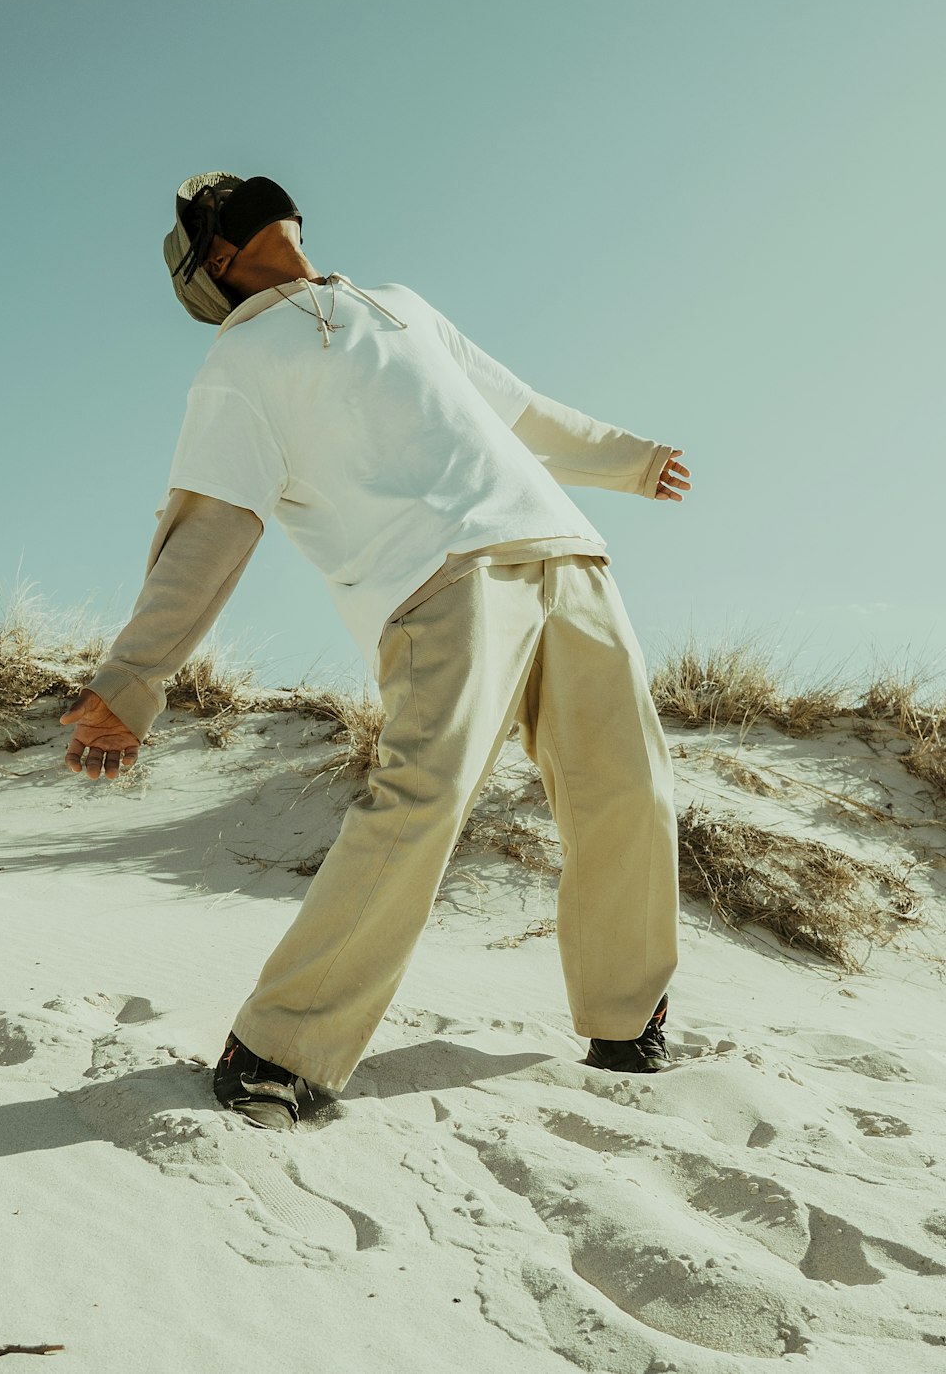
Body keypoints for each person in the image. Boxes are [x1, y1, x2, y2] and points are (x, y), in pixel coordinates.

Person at [61, 170, 693, 1132]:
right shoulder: (239, 364)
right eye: (213, 209)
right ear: (218, 263)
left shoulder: (398, 305)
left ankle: (623, 1014)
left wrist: (630, 462)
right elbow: (209, 530)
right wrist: (133, 682)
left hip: (563, 552)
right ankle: (279, 1046)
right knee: (422, 795)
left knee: (631, 785)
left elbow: (514, 411)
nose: (236, 195)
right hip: (433, 585)